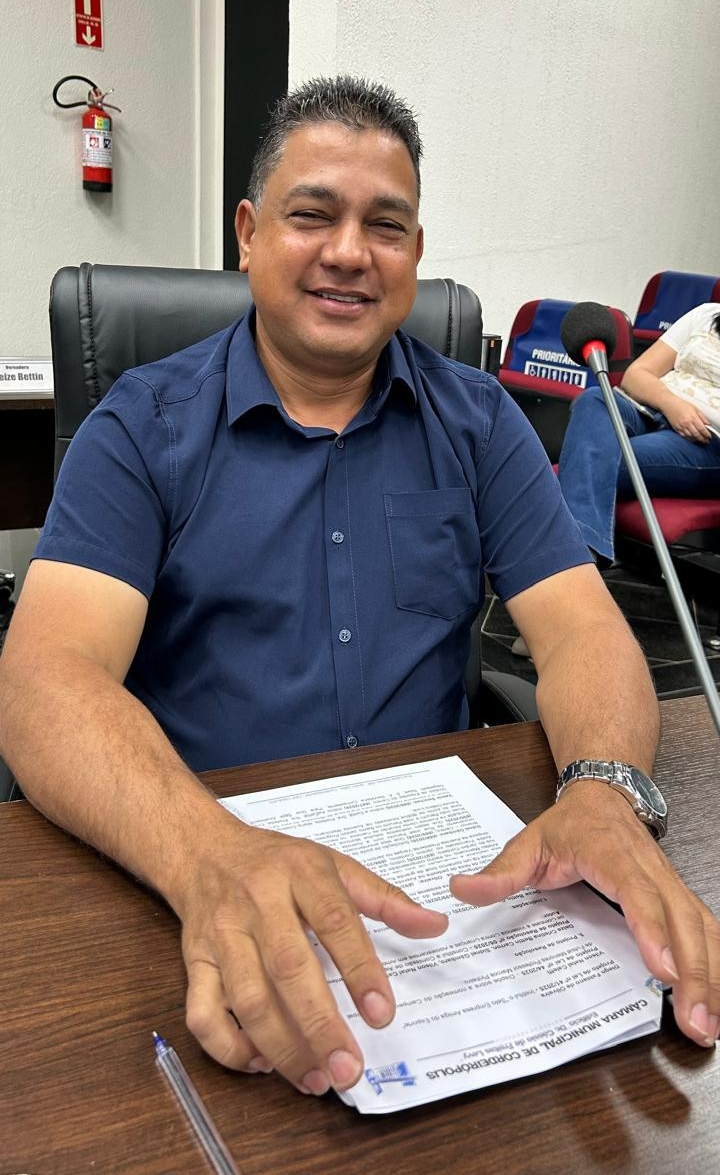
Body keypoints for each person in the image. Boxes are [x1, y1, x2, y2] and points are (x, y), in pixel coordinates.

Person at [0, 77, 717, 1100]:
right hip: (190, 869)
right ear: (248, 235)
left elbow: (581, 632)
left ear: (415, 254)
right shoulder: (143, 426)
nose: (349, 251)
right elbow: (44, 680)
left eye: (385, 226)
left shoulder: (479, 422)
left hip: (439, 899)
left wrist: (603, 788)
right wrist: (208, 855)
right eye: (311, 214)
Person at [557, 304, 720, 564]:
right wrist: (672, 405)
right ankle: (577, 556)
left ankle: (575, 555)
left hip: (705, 440)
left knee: (591, 456)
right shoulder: (706, 314)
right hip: (650, 408)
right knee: (595, 398)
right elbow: (636, 375)